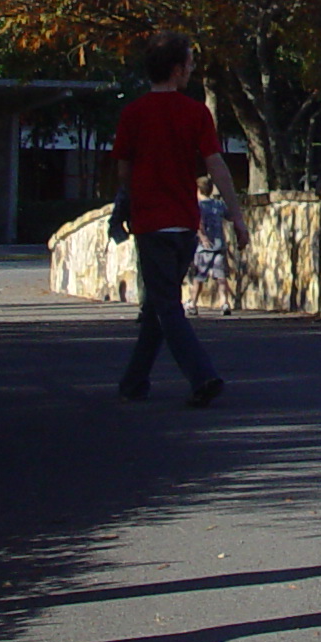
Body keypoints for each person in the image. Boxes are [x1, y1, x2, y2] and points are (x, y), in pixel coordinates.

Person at [112, 34, 247, 406]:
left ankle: (202, 376)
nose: (192, 70)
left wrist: (127, 203)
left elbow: (123, 168)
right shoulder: (196, 113)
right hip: (186, 225)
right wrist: (236, 216)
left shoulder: (134, 113)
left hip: (151, 223)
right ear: (176, 69)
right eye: (189, 63)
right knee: (161, 304)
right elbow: (216, 164)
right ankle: (134, 382)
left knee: (165, 304)